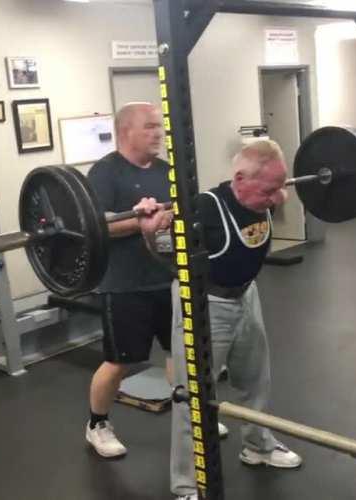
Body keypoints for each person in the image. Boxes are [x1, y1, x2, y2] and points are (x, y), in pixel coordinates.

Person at [135, 140, 303, 500]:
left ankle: (257, 445)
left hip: (247, 295)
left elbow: (271, 201)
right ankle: (185, 485)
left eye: (280, 186)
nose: (277, 198)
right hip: (204, 304)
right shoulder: (204, 211)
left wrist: (273, 192)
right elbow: (169, 260)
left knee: (255, 380)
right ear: (239, 179)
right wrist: (151, 232)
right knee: (191, 395)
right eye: (269, 190)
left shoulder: (265, 196)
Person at [85, 102, 174, 458]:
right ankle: (97, 424)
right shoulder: (104, 174)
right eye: (150, 126)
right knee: (120, 361)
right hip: (123, 284)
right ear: (126, 131)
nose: (159, 133)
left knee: (180, 353)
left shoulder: (167, 169)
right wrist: (142, 222)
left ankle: (193, 415)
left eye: (159, 126)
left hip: (166, 277)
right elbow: (98, 227)